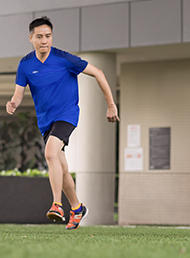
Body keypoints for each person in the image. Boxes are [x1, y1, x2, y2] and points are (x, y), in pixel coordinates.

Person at [6, 16, 119, 230]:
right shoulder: (25, 64)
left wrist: (111, 104)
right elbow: (18, 94)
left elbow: (98, 73)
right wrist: (13, 103)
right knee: (62, 168)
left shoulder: (64, 59)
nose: (44, 41)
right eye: (39, 37)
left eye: (48, 36)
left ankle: (57, 205)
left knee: (50, 153)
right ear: (31, 38)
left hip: (67, 115)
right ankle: (77, 208)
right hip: (45, 121)